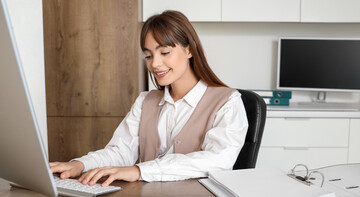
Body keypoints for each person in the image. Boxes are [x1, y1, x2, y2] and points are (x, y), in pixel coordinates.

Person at [50, 10, 248, 186]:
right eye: (148, 55)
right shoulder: (146, 101)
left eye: (165, 52)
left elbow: (218, 160)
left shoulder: (228, 101)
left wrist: (139, 170)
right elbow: (121, 152)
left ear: (189, 49)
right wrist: (79, 164)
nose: (155, 64)